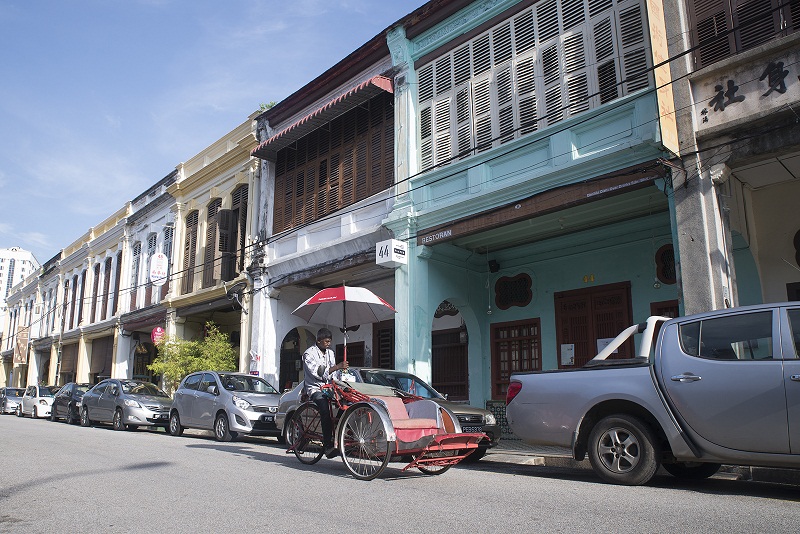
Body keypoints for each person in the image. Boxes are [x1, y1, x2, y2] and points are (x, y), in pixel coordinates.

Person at [303, 327, 348, 458]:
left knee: (346, 402)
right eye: (326, 341)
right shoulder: (308, 354)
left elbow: (333, 375)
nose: (328, 344)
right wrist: (337, 366)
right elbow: (318, 373)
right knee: (325, 410)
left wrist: (340, 383)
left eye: (330, 341)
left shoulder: (331, 353)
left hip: (330, 388)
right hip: (315, 388)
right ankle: (327, 445)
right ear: (318, 340)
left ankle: (338, 429)